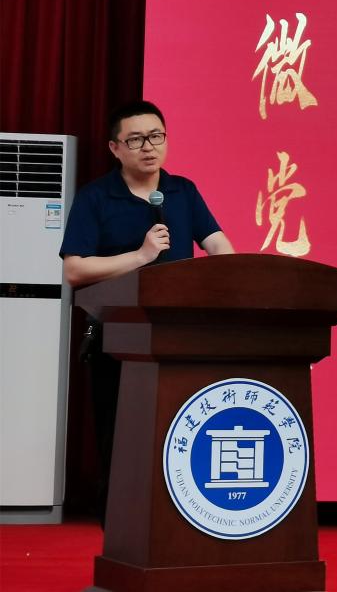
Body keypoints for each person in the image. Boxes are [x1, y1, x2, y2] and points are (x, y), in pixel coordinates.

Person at [60, 100, 234, 520]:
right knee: (120, 432)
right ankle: (119, 521)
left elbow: (217, 244)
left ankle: (179, 515)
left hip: (180, 334)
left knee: (179, 429)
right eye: (136, 139)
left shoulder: (182, 191)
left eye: (156, 136)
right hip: (118, 338)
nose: (148, 147)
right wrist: (140, 256)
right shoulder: (96, 197)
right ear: (115, 148)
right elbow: (74, 269)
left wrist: (232, 275)